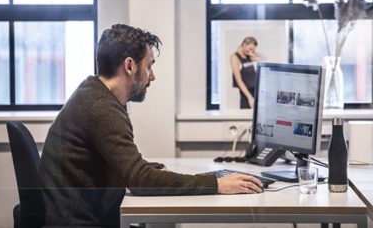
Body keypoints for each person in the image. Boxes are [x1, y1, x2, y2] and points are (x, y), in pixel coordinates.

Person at [39, 24, 263, 228]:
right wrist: (215, 184)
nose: (152, 76)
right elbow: (140, 181)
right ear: (129, 65)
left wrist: (150, 169)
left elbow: (124, 164)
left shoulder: (94, 92)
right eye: (149, 66)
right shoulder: (101, 109)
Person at [230, 36, 266, 109]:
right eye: (250, 48)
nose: (251, 51)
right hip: (246, 93)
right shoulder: (235, 57)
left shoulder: (248, 56)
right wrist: (249, 97)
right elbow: (238, 80)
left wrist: (253, 51)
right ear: (244, 44)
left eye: (253, 49)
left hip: (255, 90)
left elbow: (263, 58)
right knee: (246, 115)